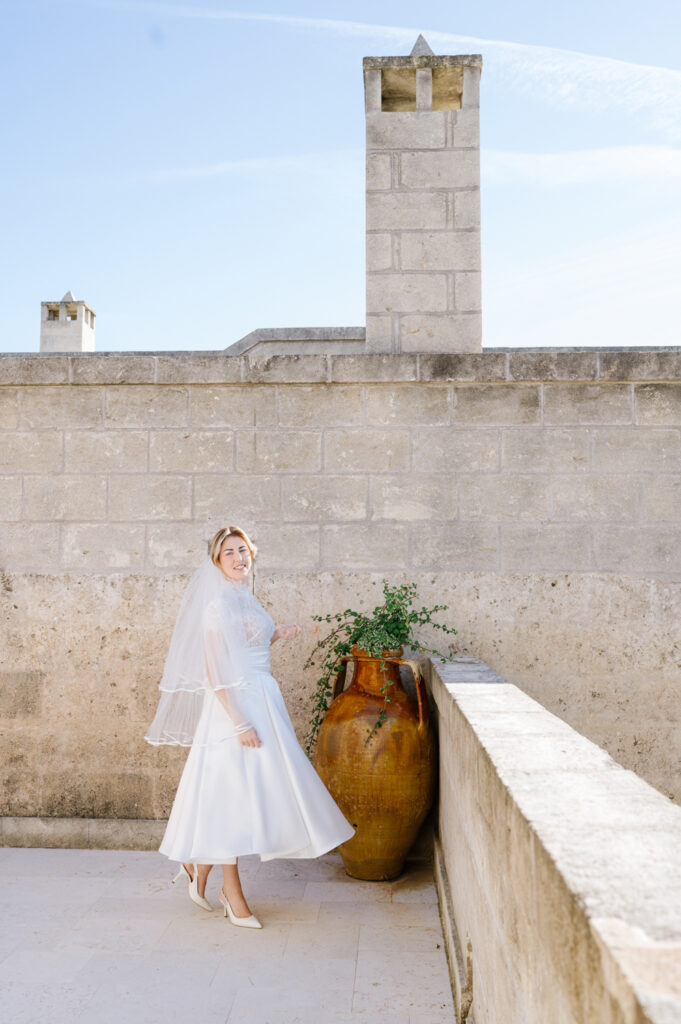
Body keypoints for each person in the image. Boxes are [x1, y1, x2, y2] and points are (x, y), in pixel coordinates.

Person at [145, 525, 355, 928]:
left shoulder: (244, 597)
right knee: (229, 796)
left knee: (256, 792)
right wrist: (238, 721)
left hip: (263, 699)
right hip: (234, 706)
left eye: (243, 550)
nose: (240, 558)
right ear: (216, 562)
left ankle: (200, 864)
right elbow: (214, 668)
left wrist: (278, 633)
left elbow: (247, 642)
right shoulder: (215, 606)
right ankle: (231, 890)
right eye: (229, 553)